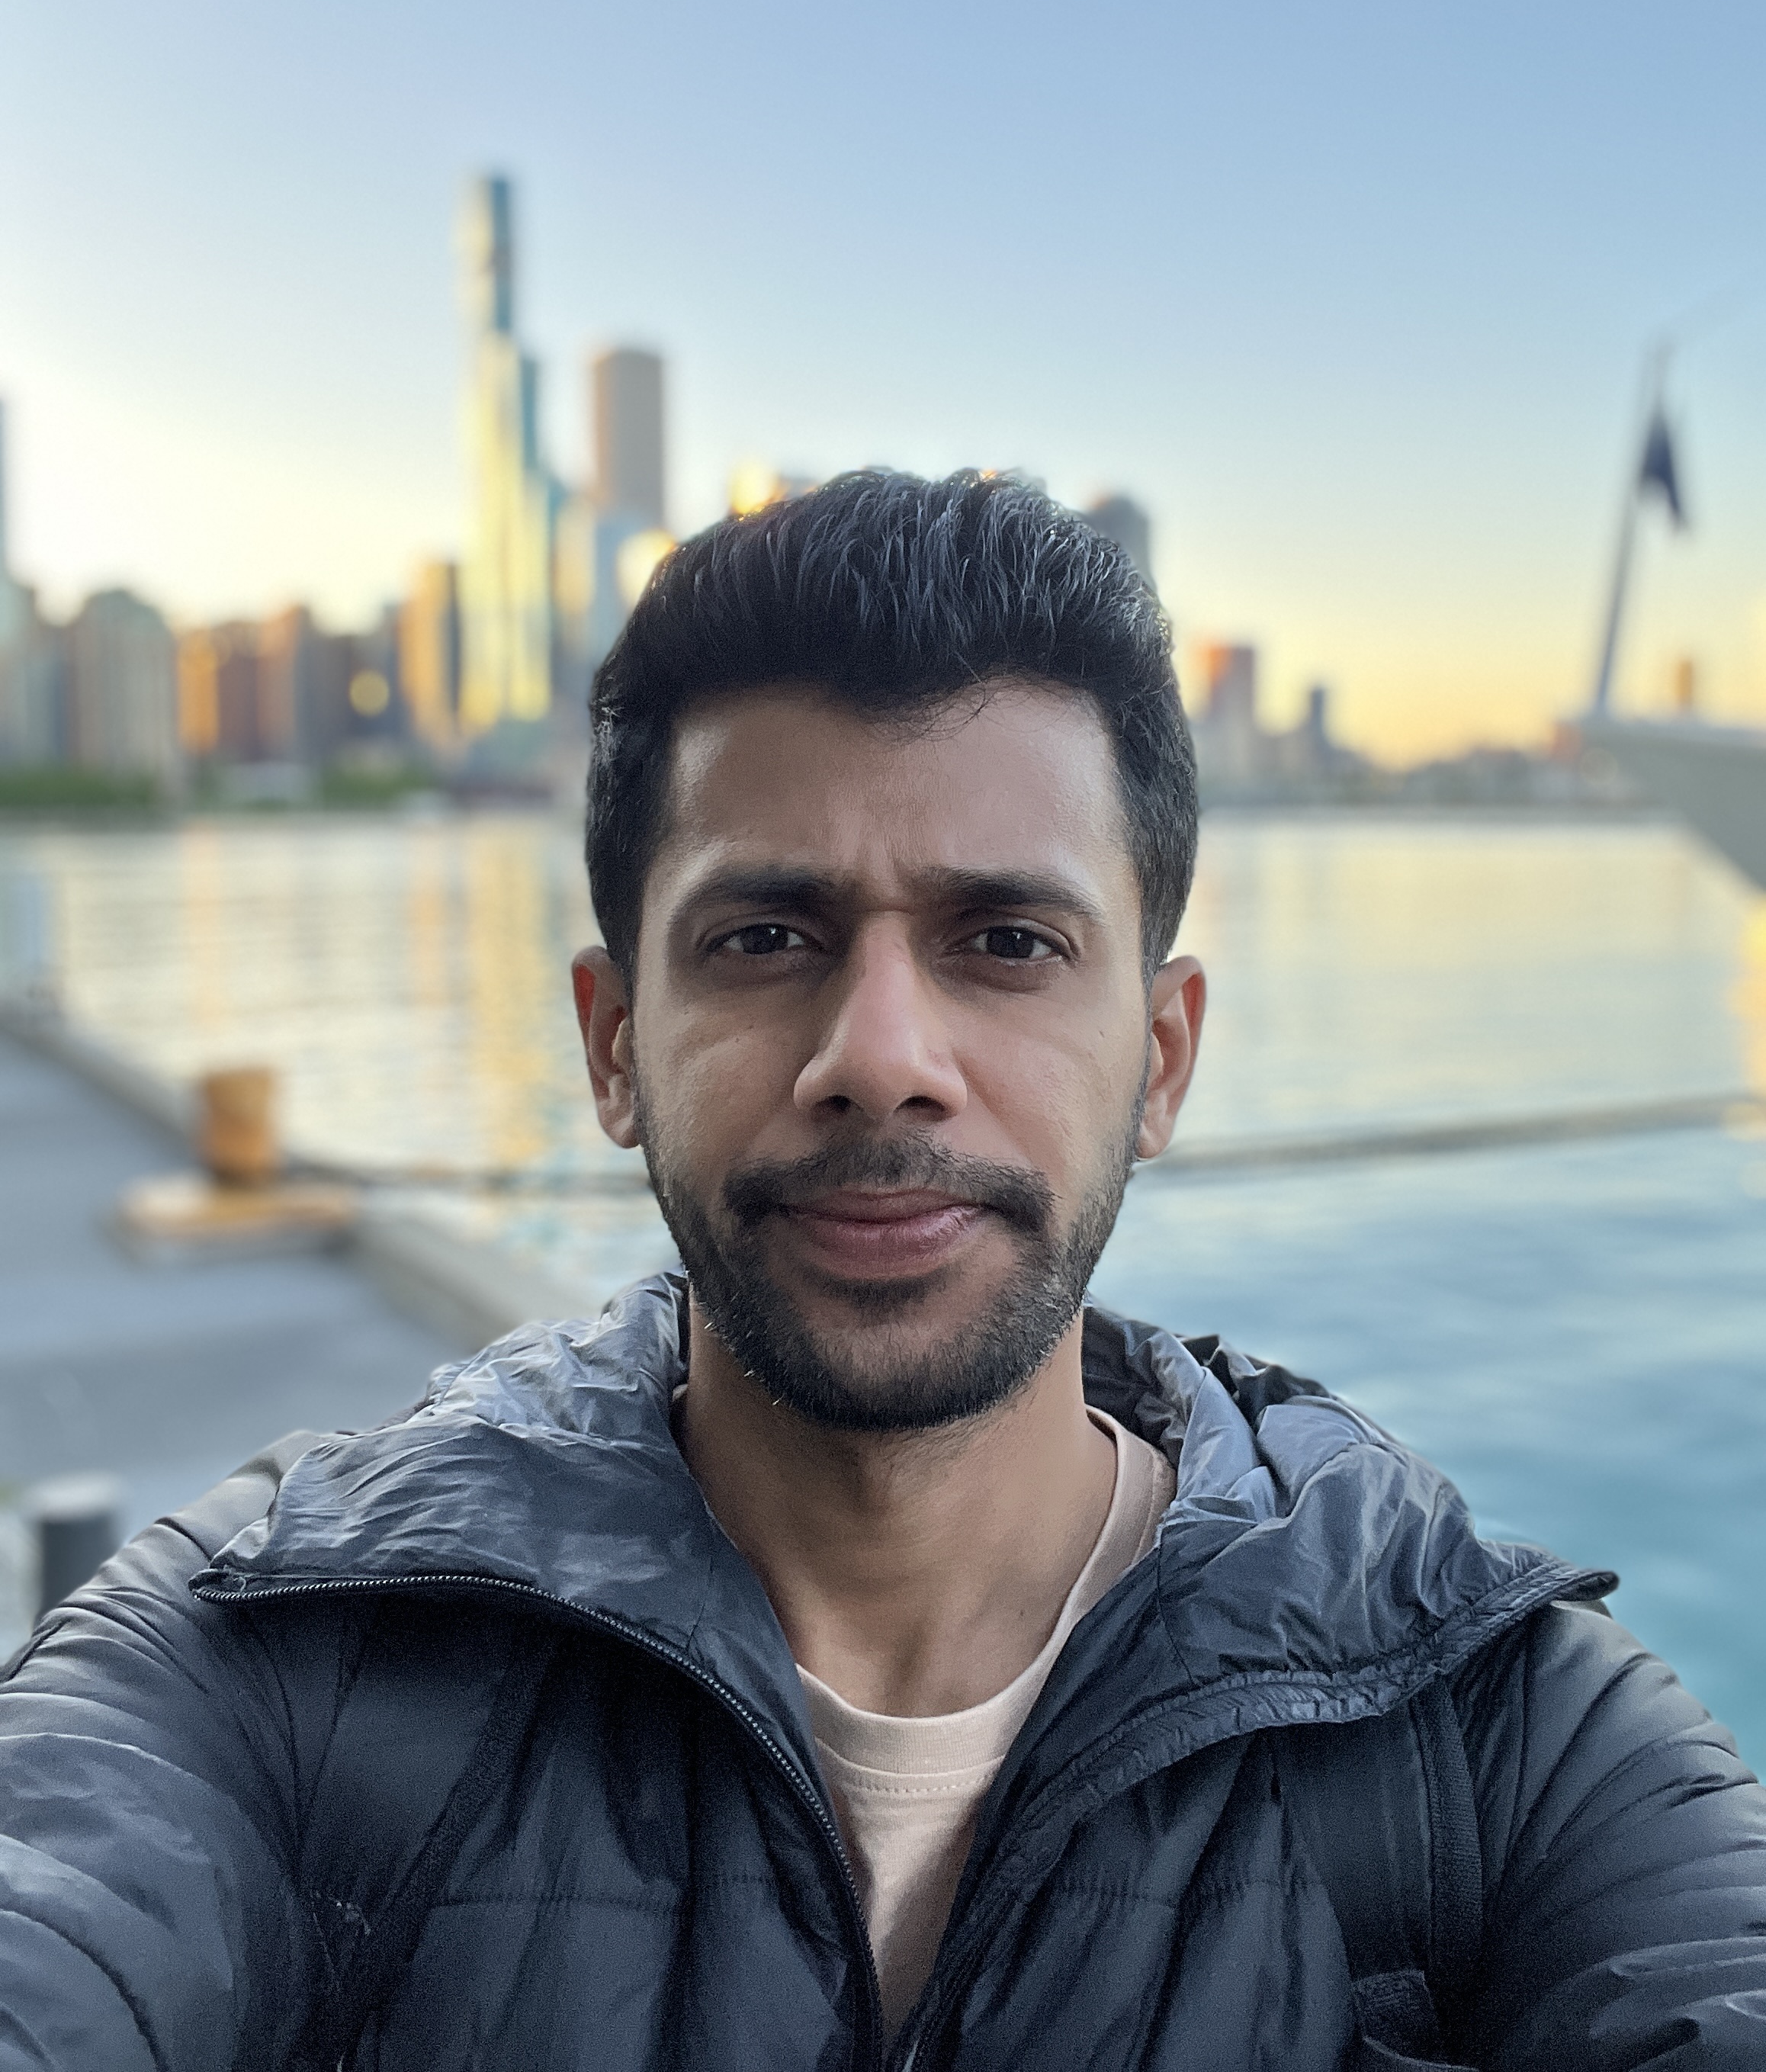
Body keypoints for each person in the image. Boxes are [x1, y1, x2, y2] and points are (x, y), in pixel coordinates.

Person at [2, 471, 1764, 2070]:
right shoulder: (275, 1654)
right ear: (614, 1044)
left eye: (1007, 939)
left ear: (1161, 1057)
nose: (883, 1056)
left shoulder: (1493, 1729)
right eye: (769, 935)